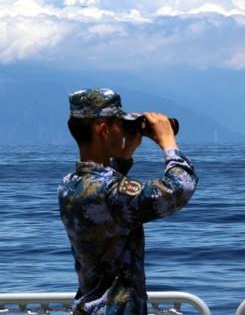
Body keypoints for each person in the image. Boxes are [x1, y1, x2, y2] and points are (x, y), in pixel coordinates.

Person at [58, 88, 198, 315]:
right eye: (118, 123)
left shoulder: (68, 186)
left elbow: (105, 201)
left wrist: (123, 158)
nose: (122, 130)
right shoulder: (111, 194)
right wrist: (168, 142)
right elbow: (180, 188)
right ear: (103, 129)